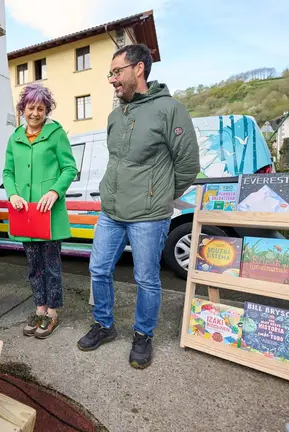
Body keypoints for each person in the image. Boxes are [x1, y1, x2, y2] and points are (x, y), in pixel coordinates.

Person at [77, 44, 200, 369]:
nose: (112, 79)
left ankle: (143, 335)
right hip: (111, 212)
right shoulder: (116, 114)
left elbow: (188, 164)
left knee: (146, 278)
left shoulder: (170, 109)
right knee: (98, 269)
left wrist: (157, 195)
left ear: (139, 69)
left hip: (149, 215)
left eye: (116, 72)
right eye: (111, 73)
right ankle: (104, 325)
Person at [3, 83, 77, 339]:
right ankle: (40, 308)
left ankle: (53, 313)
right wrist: (12, 193)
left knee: (52, 266)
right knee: (33, 266)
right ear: (22, 108)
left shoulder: (56, 133)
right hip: (25, 213)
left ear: (47, 110)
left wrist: (54, 191)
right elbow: (8, 172)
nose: (35, 113)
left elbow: (69, 169)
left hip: (49, 213)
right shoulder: (15, 137)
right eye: (30, 108)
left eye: (40, 108)